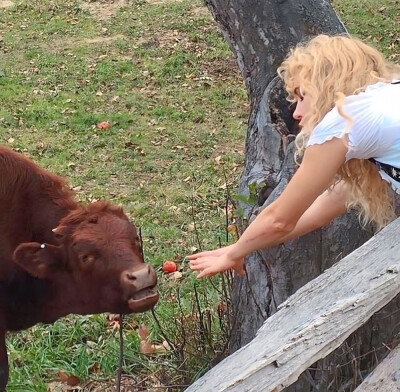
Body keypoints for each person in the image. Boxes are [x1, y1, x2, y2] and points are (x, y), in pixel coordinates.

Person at [188, 34, 400, 279]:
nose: (297, 113)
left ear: (327, 86)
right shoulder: (387, 95)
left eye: (302, 96)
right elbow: (328, 205)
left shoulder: (345, 122)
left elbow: (279, 219)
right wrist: (240, 247)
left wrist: (234, 254)